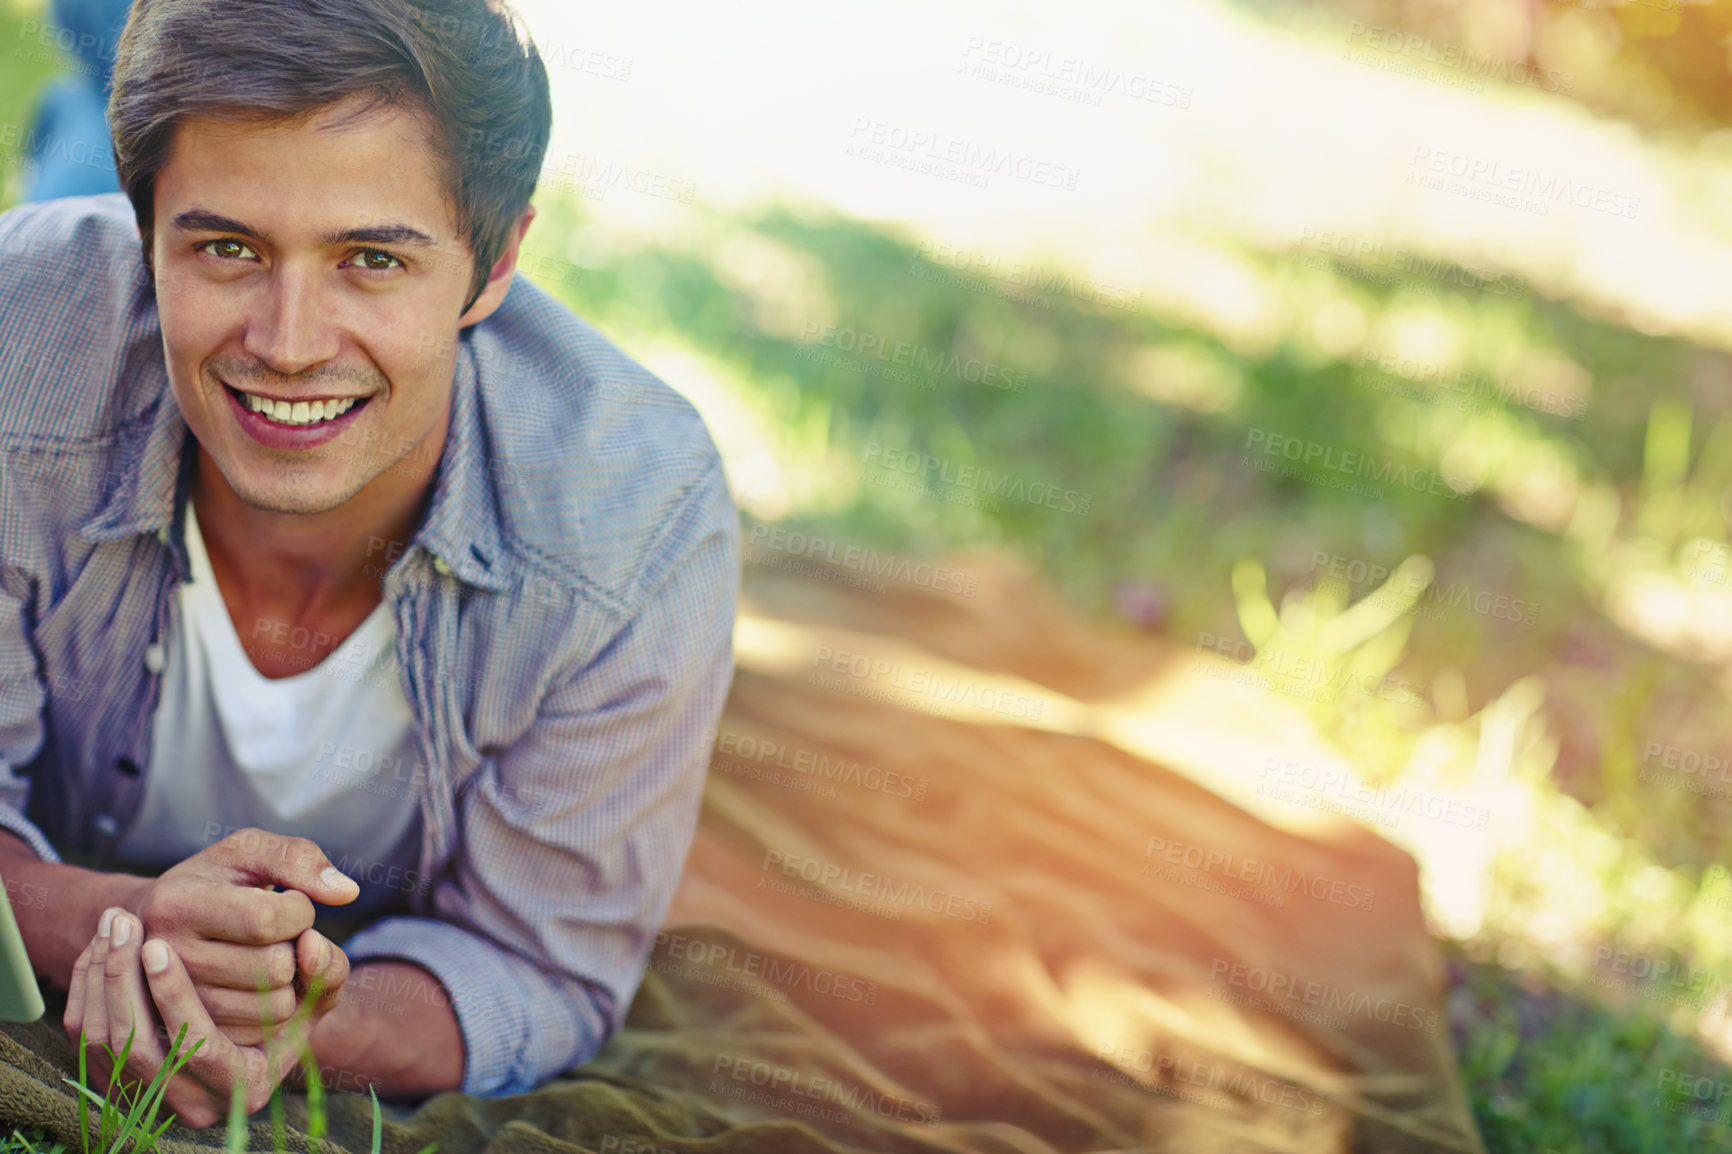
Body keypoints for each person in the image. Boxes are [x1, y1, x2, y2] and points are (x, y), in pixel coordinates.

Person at [0, 0, 739, 1128]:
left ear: (494, 267)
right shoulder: (19, 355)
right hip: (70, 289)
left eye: (372, 259)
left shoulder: (640, 520)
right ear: (148, 230)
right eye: (226, 246)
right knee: (65, 202)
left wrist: (296, 1022)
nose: (289, 341)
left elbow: (545, 964)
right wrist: (116, 918)